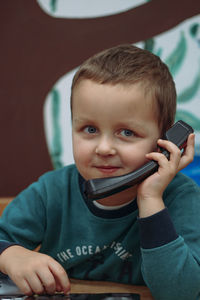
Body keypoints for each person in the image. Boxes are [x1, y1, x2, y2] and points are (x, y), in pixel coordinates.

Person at [0, 44, 200, 300]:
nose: (104, 148)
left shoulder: (183, 199)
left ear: (166, 140)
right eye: (90, 129)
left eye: (127, 132)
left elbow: (180, 294)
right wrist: (11, 255)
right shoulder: (51, 191)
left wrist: (150, 199)